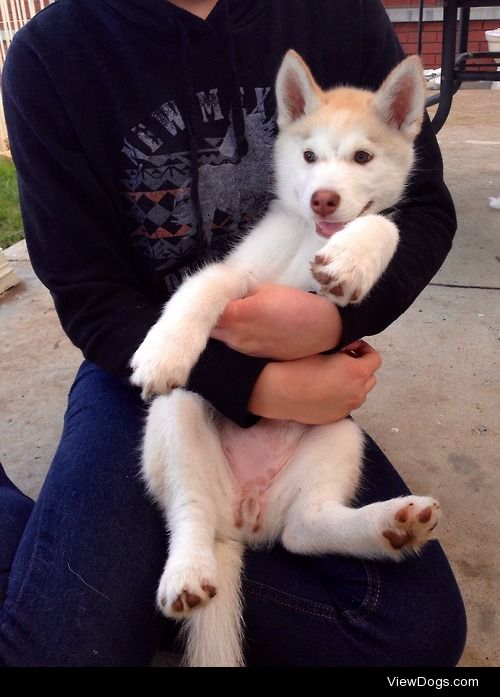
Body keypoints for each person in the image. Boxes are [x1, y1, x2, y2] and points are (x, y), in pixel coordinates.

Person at [0, 0, 466, 667]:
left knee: (414, 637)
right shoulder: (52, 55)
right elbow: (89, 294)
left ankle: (125, 575)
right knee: (65, 649)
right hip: (150, 364)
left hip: (305, 377)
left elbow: (420, 209)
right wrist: (261, 386)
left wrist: (336, 319)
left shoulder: (338, 16)